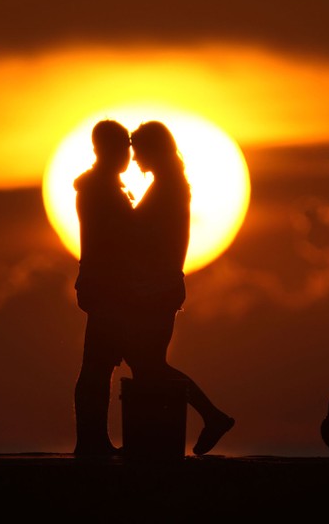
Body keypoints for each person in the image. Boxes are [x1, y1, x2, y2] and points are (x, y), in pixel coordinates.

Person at [127, 120, 235, 456]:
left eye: (138, 153)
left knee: (150, 363)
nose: (134, 161)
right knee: (145, 363)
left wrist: (128, 213)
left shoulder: (167, 188)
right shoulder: (169, 184)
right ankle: (161, 433)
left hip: (157, 288)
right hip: (158, 286)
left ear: (152, 151)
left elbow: (150, 236)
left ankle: (212, 416)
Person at [72, 119, 134, 457]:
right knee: (96, 364)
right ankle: (90, 440)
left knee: (101, 362)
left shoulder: (106, 186)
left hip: (106, 283)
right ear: (105, 150)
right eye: (122, 146)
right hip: (105, 284)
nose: (127, 153)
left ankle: (95, 439)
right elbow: (109, 239)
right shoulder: (99, 189)